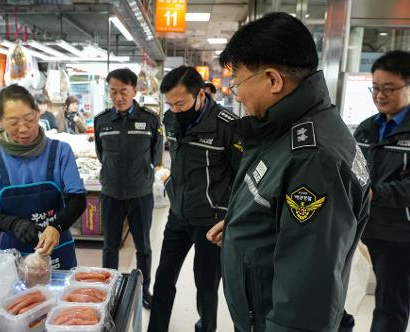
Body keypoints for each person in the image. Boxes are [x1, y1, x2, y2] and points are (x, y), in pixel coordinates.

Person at [207, 12, 370, 331]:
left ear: (273, 80)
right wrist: (246, 220)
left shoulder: (313, 157)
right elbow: (278, 201)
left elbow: (306, 297)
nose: (236, 95)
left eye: (238, 82)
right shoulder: (286, 129)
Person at [148, 66, 242, 332]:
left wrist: (229, 216)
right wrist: (169, 185)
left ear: (200, 94)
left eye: (181, 103)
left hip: (211, 222)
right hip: (178, 215)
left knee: (206, 285)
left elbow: (243, 174)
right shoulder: (170, 119)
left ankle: (206, 327)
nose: (175, 109)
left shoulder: (227, 125)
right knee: (163, 277)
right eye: (170, 104)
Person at [0, 85, 87, 270]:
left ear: (38, 113)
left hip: (57, 250)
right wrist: (14, 224)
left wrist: (56, 226)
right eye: (13, 123)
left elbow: (78, 200)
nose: (23, 129)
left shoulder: (60, 151)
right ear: (1, 122)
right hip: (13, 256)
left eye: (29, 119)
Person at [94, 68, 163, 309]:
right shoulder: (101, 121)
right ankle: (109, 289)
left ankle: (145, 289)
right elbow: (101, 154)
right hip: (111, 194)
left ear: (135, 90)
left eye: (124, 91)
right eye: (113, 92)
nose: (118, 97)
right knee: (110, 246)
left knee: (143, 246)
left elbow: (156, 153)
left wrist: (143, 172)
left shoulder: (150, 119)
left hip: (140, 194)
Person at [354, 50, 410, 332]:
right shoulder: (366, 129)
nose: (379, 95)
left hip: (399, 234)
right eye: (375, 88)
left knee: (391, 304)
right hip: (360, 228)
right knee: (345, 296)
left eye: (389, 89)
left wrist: (377, 193)